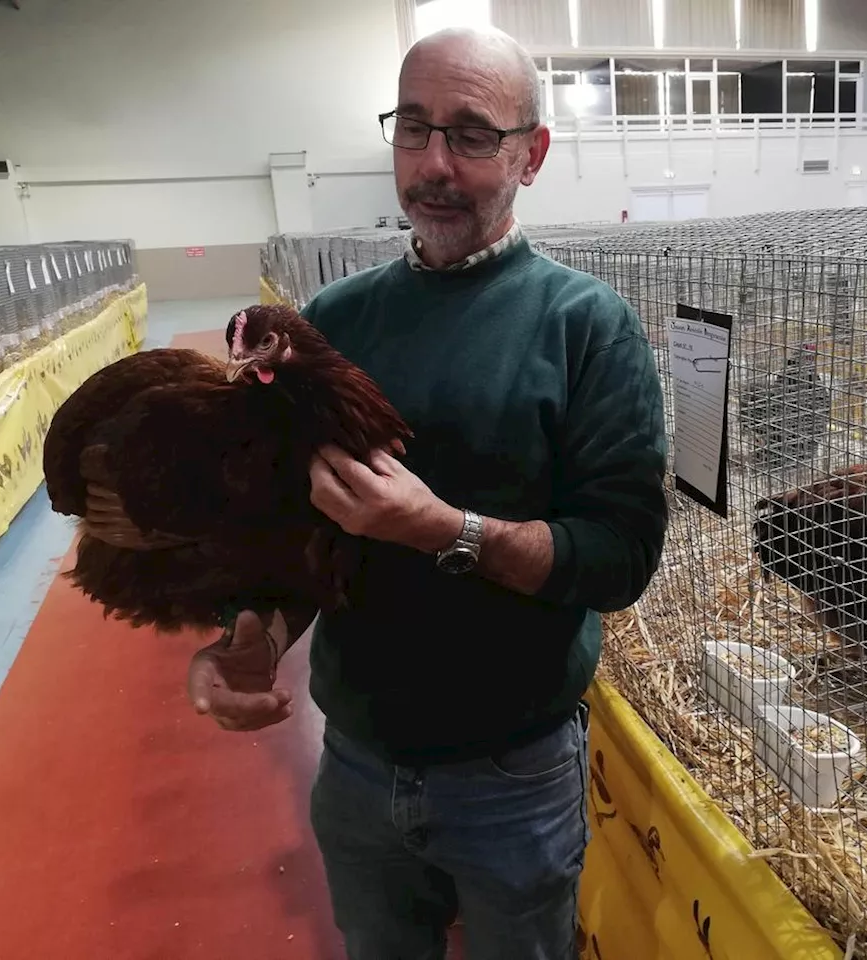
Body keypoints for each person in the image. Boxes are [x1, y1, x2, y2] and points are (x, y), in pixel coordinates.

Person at [184, 24, 669, 960]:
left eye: (472, 133)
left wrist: (447, 531)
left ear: (533, 155)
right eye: (413, 129)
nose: (434, 163)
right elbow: (298, 539)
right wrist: (256, 635)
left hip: (514, 776)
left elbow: (619, 557)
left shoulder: (587, 328)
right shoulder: (332, 321)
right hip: (357, 763)